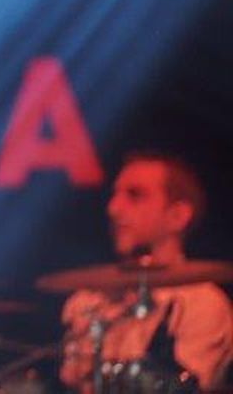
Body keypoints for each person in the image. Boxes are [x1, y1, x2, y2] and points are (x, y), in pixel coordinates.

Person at [59, 153, 233, 390]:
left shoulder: (203, 305)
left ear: (177, 216)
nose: (113, 208)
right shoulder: (88, 302)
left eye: (135, 195)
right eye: (114, 195)